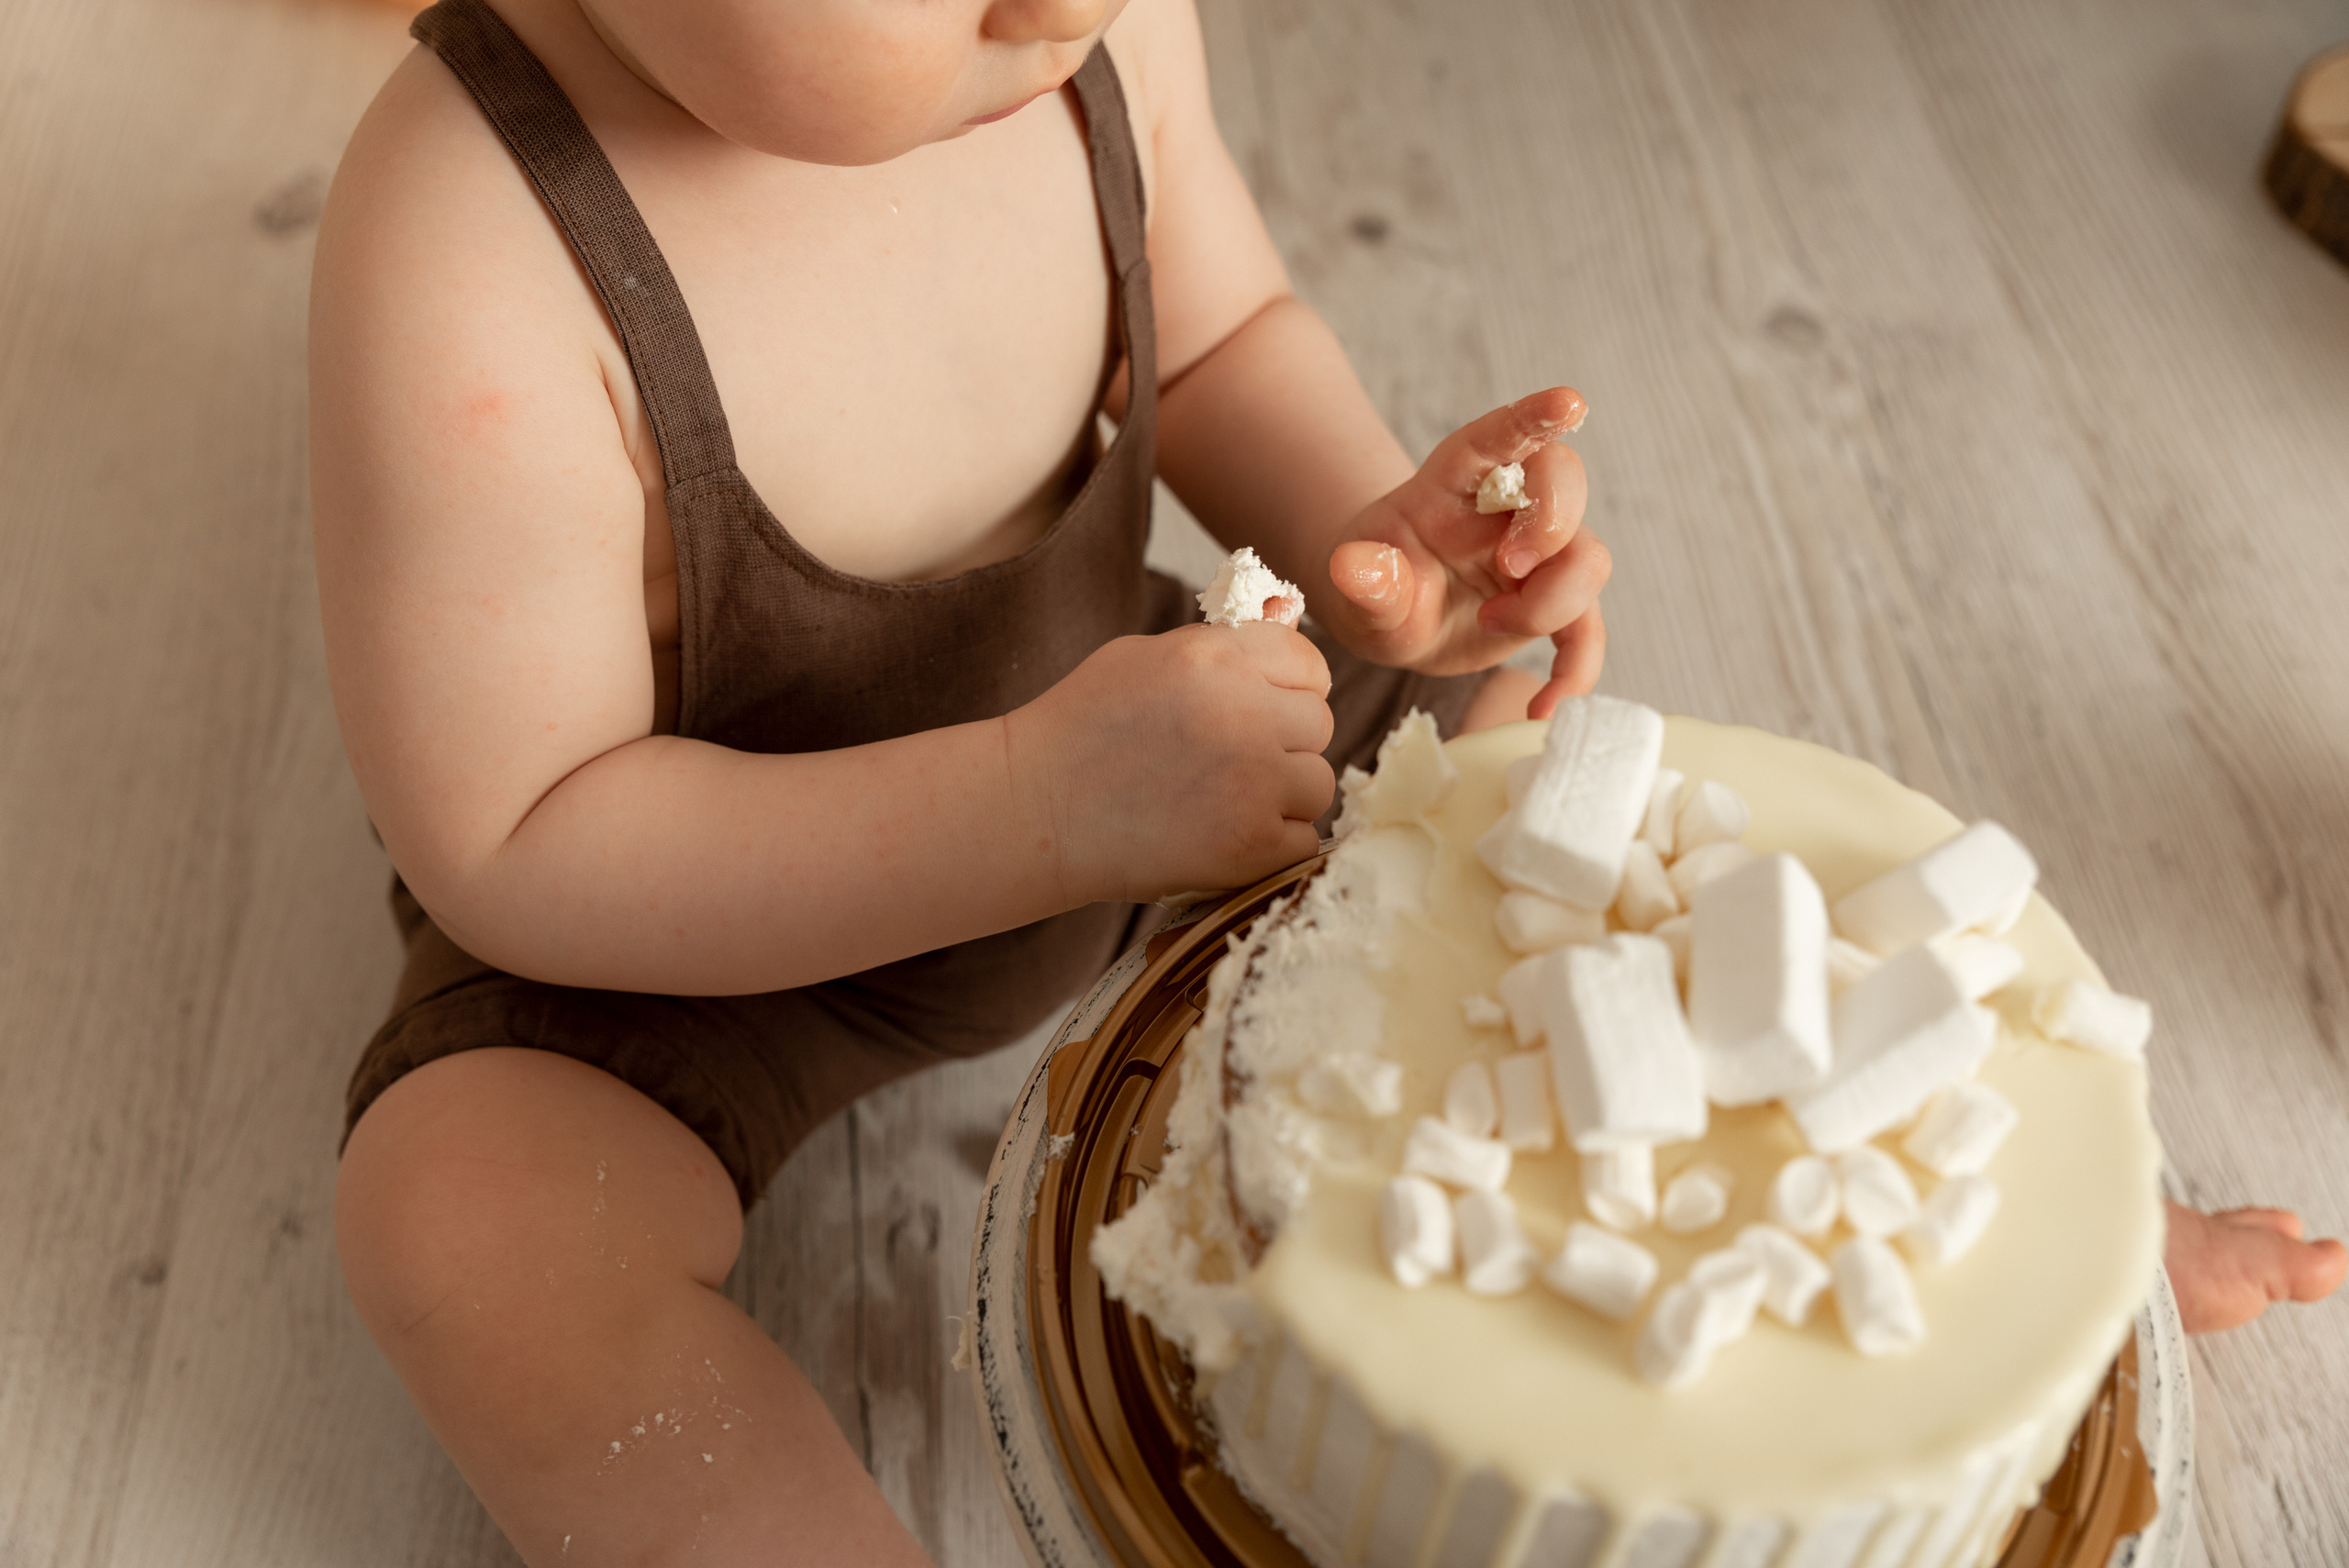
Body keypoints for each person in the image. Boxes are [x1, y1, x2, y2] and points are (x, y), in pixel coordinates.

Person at [308, 1, 2340, 1562]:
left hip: (1173, 746)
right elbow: (520, 832)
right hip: (708, 910)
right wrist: (1030, 809)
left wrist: (1390, 561)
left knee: (1579, 814)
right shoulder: (468, 234)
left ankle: (1988, 1262)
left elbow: (1209, 344)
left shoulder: (1070, 43)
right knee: (469, 1231)